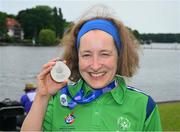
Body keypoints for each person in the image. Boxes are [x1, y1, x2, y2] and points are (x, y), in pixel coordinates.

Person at [21, 5, 162, 131]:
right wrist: (42, 96)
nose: (95, 65)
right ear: (77, 58)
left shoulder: (144, 105)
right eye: (86, 55)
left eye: (104, 54)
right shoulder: (58, 100)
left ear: (119, 56)